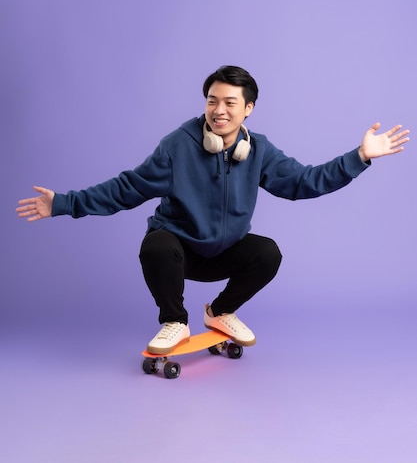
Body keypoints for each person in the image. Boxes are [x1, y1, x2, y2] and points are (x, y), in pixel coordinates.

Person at [16, 66, 410, 354]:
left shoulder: (259, 151)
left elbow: (304, 182)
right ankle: (174, 321)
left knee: (267, 252)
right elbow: (128, 188)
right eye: (212, 101)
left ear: (249, 108)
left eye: (230, 103)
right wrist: (64, 203)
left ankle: (220, 311)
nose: (219, 110)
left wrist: (360, 157)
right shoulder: (178, 145)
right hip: (178, 252)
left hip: (224, 251)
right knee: (155, 244)